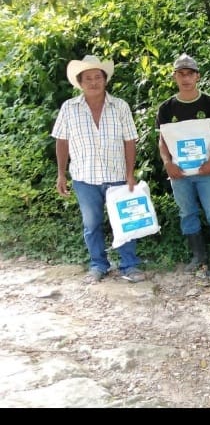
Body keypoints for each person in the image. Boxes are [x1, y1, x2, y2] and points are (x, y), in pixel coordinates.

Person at [51, 55, 146, 284]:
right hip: (84, 177)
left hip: (117, 176)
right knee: (91, 224)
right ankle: (98, 265)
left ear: (105, 80)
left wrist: (130, 173)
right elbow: (62, 141)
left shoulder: (120, 106)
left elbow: (129, 141)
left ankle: (129, 265)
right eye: (88, 78)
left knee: (124, 222)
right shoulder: (69, 108)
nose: (93, 82)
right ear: (80, 82)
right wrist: (61, 174)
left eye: (97, 77)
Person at [156, 53, 210, 280]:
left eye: (190, 74)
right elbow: (162, 141)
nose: (186, 78)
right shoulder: (166, 108)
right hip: (179, 173)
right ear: (175, 77)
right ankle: (198, 257)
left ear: (197, 76)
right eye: (181, 74)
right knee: (187, 213)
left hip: (206, 171)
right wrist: (167, 163)